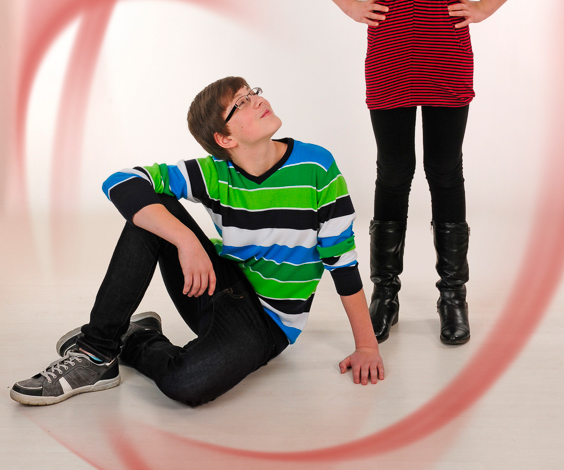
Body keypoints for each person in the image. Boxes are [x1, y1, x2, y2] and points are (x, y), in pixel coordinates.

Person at [298, 0, 546, 346]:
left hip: (446, 56)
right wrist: (350, 4)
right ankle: (384, 293)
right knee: (393, 171)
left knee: (444, 169)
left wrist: (486, 5)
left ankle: (452, 295)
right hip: (388, 56)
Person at [11, 77, 384, 406]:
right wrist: (186, 239)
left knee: (186, 384)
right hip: (216, 285)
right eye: (240, 102)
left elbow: (342, 261)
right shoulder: (214, 173)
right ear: (225, 139)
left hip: (268, 323)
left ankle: (136, 338)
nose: (255, 99)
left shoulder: (316, 167)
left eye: (252, 92)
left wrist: (367, 346)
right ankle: (96, 352)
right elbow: (121, 180)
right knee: (153, 209)